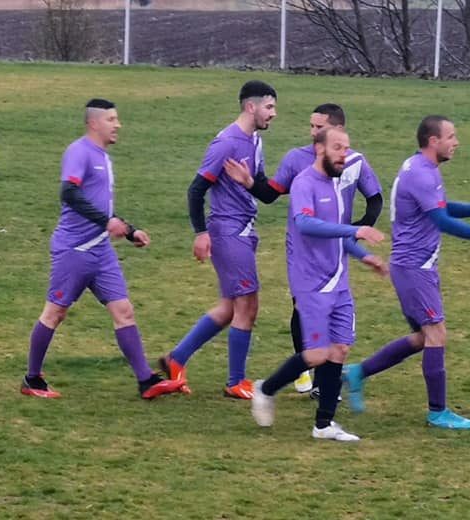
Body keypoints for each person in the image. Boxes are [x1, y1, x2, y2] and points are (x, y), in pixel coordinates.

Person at [341, 115, 470, 430]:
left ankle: (358, 373)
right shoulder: (421, 174)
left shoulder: (422, 168)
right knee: (436, 334)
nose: (456, 143)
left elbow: (440, 207)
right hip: (414, 269)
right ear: (433, 141)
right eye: (451, 137)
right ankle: (438, 412)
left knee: (422, 338)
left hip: (417, 266)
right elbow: (442, 221)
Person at [21, 98, 181, 400]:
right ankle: (32, 379)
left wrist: (129, 231)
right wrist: (107, 222)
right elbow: (68, 193)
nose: (118, 124)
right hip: (74, 250)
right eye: (111, 119)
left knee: (124, 311)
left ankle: (145, 380)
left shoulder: (103, 157)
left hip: (101, 250)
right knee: (55, 313)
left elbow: (100, 205)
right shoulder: (78, 152)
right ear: (94, 123)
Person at [223, 103, 383, 396]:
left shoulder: (355, 162)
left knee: (334, 311)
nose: (312, 132)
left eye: (319, 127)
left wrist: (355, 232)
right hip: (303, 250)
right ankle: (305, 369)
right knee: (304, 308)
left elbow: (375, 200)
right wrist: (249, 182)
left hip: (336, 246)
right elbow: (271, 194)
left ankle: (320, 383)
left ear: (338, 130)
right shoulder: (296, 159)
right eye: (311, 126)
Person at [250, 127, 387, 442]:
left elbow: (336, 233)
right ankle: (265, 389)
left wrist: (364, 256)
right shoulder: (304, 183)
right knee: (316, 354)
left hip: (338, 280)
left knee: (339, 349)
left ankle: (324, 425)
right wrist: (355, 231)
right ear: (319, 149)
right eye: (338, 148)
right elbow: (306, 223)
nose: (344, 154)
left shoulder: (337, 187)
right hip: (310, 283)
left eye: (347, 148)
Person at [157, 81, 277, 399]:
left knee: (228, 308)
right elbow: (196, 190)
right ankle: (235, 381)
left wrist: (262, 182)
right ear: (250, 107)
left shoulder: (256, 141)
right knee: (248, 305)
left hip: (245, 230)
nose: (273, 114)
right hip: (228, 232)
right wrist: (201, 233)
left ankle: (176, 359)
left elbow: (264, 192)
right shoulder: (226, 143)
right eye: (269, 107)